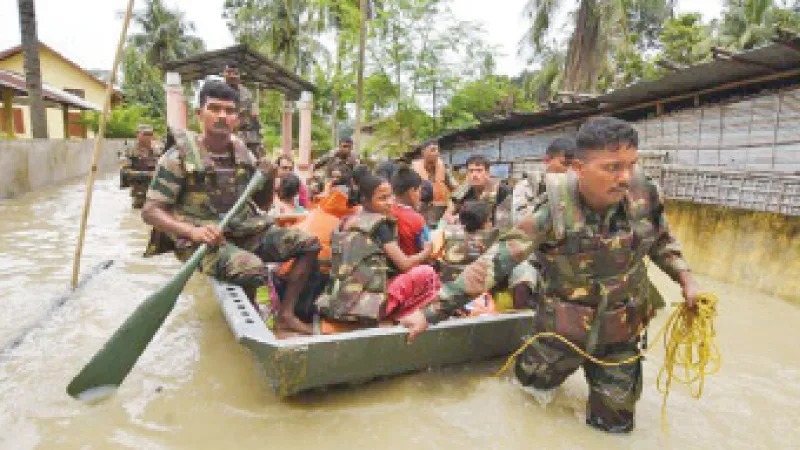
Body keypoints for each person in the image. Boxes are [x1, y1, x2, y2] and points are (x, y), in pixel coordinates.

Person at [400, 116, 701, 433]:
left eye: (632, 164)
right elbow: (495, 262)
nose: (625, 177)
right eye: (612, 167)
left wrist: (686, 280)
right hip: (558, 336)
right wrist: (429, 313)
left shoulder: (644, 195)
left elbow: (662, 241)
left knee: (614, 430)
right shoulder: (553, 209)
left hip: (620, 334)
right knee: (525, 403)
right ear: (579, 169)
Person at [141, 81, 321, 335]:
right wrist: (191, 232)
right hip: (204, 240)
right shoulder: (177, 157)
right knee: (253, 268)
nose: (222, 116)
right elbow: (151, 211)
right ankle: (256, 326)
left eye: (229, 110)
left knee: (309, 244)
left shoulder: (243, 154)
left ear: (237, 118)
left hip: (243, 229)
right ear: (199, 114)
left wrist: (268, 179)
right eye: (214, 108)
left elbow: (262, 205)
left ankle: (286, 315)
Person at [317, 174, 439, 323]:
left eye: (390, 197)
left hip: (338, 299)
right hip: (365, 306)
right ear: (364, 200)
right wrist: (426, 251)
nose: (389, 203)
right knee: (426, 272)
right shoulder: (379, 225)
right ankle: (402, 317)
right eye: (382, 198)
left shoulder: (345, 221)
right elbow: (404, 264)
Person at [512, 137, 575, 224]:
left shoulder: (574, 186)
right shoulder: (526, 186)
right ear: (547, 160)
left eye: (573, 165)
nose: (570, 169)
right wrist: (549, 197)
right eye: (565, 164)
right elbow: (518, 221)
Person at [443, 155, 511, 226]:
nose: (474, 175)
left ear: (487, 173)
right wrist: (451, 218)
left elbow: (505, 221)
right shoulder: (464, 189)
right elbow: (448, 213)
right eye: (471, 171)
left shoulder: (502, 190)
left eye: (479, 170)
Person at [412, 140, 456, 226]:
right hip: (423, 212)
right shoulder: (413, 171)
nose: (436, 153)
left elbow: (454, 189)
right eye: (433, 150)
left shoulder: (443, 168)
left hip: (443, 211)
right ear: (423, 152)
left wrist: (451, 207)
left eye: (437, 150)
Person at [223, 64, 263, 157]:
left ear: (239, 75)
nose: (232, 75)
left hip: (246, 134)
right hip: (225, 132)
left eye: (235, 73)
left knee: (254, 159)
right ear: (224, 74)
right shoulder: (217, 91)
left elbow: (254, 115)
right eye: (229, 72)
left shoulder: (247, 93)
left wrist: (259, 134)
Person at [389, 166, 429, 256]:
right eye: (419, 191)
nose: (420, 196)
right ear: (411, 192)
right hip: (414, 265)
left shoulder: (387, 211)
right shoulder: (417, 219)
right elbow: (427, 247)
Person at [120, 124, 158, 209]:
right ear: (138, 135)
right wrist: (147, 174)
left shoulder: (158, 150)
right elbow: (125, 172)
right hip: (140, 193)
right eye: (145, 134)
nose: (148, 137)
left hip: (158, 193)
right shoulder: (129, 151)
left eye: (150, 134)